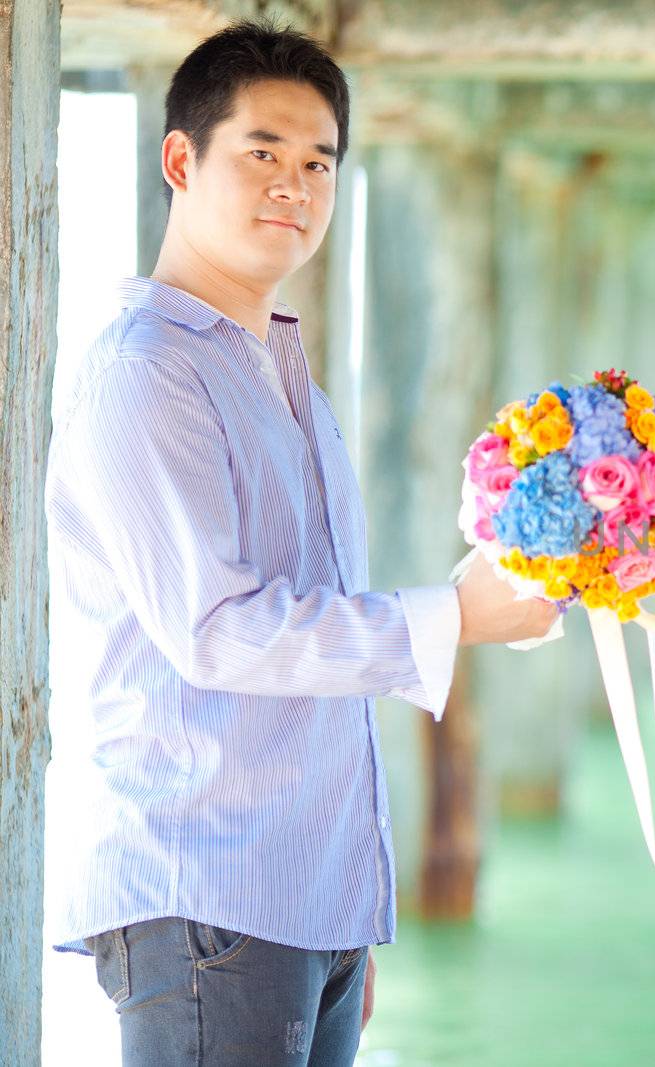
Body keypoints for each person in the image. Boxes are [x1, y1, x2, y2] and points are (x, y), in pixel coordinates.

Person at [44, 21, 555, 1066]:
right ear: (181, 161)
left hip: (303, 899)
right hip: (207, 895)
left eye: (318, 161)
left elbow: (315, 631)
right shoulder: (149, 368)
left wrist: (347, 931)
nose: (294, 184)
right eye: (262, 153)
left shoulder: (286, 377)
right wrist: (453, 617)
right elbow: (219, 632)